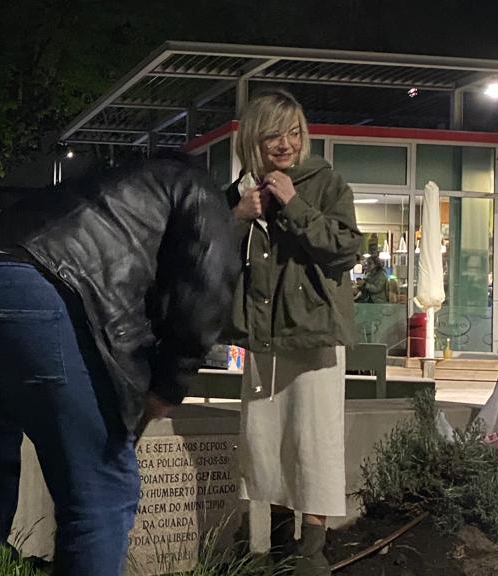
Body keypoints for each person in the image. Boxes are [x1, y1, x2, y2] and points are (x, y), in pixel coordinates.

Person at [0, 156, 240, 576]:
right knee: (103, 490)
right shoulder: (201, 191)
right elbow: (206, 291)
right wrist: (169, 385)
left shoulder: (113, 183)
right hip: (32, 287)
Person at [224, 89, 362, 576]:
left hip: (314, 337)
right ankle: (281, 548)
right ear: (253, 139)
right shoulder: (240, 192)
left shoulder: (325, 182)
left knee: (313, 443)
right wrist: (238, 217)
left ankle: (311, 554)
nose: (285, 144)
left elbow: (347, 249)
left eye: (294, 133)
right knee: (266, 445)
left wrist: (294, 204)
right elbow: (206, 254)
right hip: (262, 339)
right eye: (273, 135)